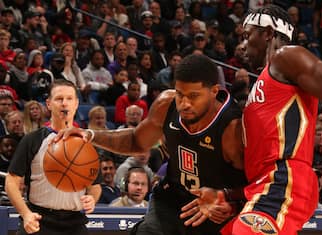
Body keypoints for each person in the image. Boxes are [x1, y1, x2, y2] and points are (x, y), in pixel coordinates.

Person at [183, 5, 322, 235]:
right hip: (261, 187)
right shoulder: (263, 85)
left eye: (247, 35)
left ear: (268, 33)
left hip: (285, 179)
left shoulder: (286, 56)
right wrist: (228, 195)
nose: (242, 45)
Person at [55, 54, 247, 235]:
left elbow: (260, 183)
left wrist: (230, 199)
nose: (184, 104)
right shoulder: (167, 104)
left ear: (214, 91)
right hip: (172, 198)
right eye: (181, 94)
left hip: (214, 210)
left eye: (194, 96)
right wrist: (89, 134)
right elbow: (136, 141)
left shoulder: (233, 128)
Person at [5, 79, 101, 235]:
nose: (64, 103)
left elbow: (95, 186)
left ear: (76, 103)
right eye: (59, 99)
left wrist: (92, 199)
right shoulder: (33, 139)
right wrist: (25, 213)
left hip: (75, 223)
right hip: (39, 219)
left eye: (69, 99)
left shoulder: (87, 143)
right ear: (48, 104)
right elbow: (11, 180)